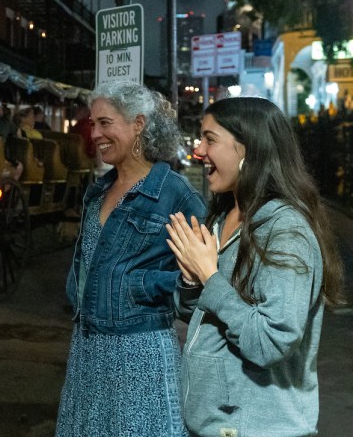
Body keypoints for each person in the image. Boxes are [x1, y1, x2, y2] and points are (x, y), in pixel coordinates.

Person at [166, 97, 344, 437]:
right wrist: (192, 282)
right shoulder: (225, 214)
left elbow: (268, 342)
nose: (199, 151)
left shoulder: (286, 232)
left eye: (210, 139)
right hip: (217, 425)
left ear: (249, 148)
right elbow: (208, 317)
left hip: (259, 427)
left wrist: (209, 276)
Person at [55, 81, 207, 436]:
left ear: (138, 124)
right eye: (93, 124)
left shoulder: (175, 195)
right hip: (87, 348)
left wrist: (145, 286)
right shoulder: (98, 191)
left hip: (140, 353)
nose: (95, 134)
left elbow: (205, 277)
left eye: (105, 123)